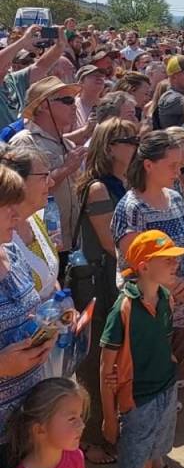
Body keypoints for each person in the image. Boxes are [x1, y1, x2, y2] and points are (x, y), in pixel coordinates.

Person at [90, 231, 184, 468]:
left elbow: (163, 340)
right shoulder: (124, 307)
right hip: (138, 404)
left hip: (164, 393)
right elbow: (106, 369)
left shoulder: (164, 296)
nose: (176, 263)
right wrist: (108, 417)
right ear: (145, 266)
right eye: (169, 259)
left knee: (147, 463)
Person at [112, 132, 184, 398]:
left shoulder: (175, 197)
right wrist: (178, 287)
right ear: (148, 165)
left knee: (174, 374)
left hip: (183, 302)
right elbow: (134, 261)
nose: (178, 172)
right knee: (150, 377)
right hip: (151, 308)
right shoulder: (131, 207)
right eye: (171, 165)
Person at [74, 118, 139, 465]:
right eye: (129, 140)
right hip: (99, 283)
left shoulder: (126, 181)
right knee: (96, 361)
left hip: (121, 278)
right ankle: (91, 437)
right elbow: (112, 243)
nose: (136, 145)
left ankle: (113, 427)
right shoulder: (99, 188)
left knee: (117, 361)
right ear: (111, 147)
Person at [0, 164, 56, 460]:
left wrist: (49, 327)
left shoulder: (10, 253)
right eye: (7, 205)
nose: (16, 213)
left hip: (29, 422)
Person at [11, 77, 84, 263]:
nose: (74, 105)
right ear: (44, 105)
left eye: (74, 100)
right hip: (36, 245)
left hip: (71, 243)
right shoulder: (25, 142)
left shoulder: (67, 144)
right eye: (67, 100)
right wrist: (66, 168)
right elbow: (17, 193)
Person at [1, 146, 58, 303]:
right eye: (44, 176)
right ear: (19, 179)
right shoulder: (4, 236)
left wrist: (62, 308)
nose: (51, 182)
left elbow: (50, 277)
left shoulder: (36, 219)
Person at [0, 25, 66, 133]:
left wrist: (59, 46)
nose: (9, 56)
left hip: (16, 145)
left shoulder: (14, 80)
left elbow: (41, 66)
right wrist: (24, 40)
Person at [73, 65, 106, 130]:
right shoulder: (71, 106)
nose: (99, 77)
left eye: (101, 76)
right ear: (81, 82)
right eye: (93, 75)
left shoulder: (109, 106)